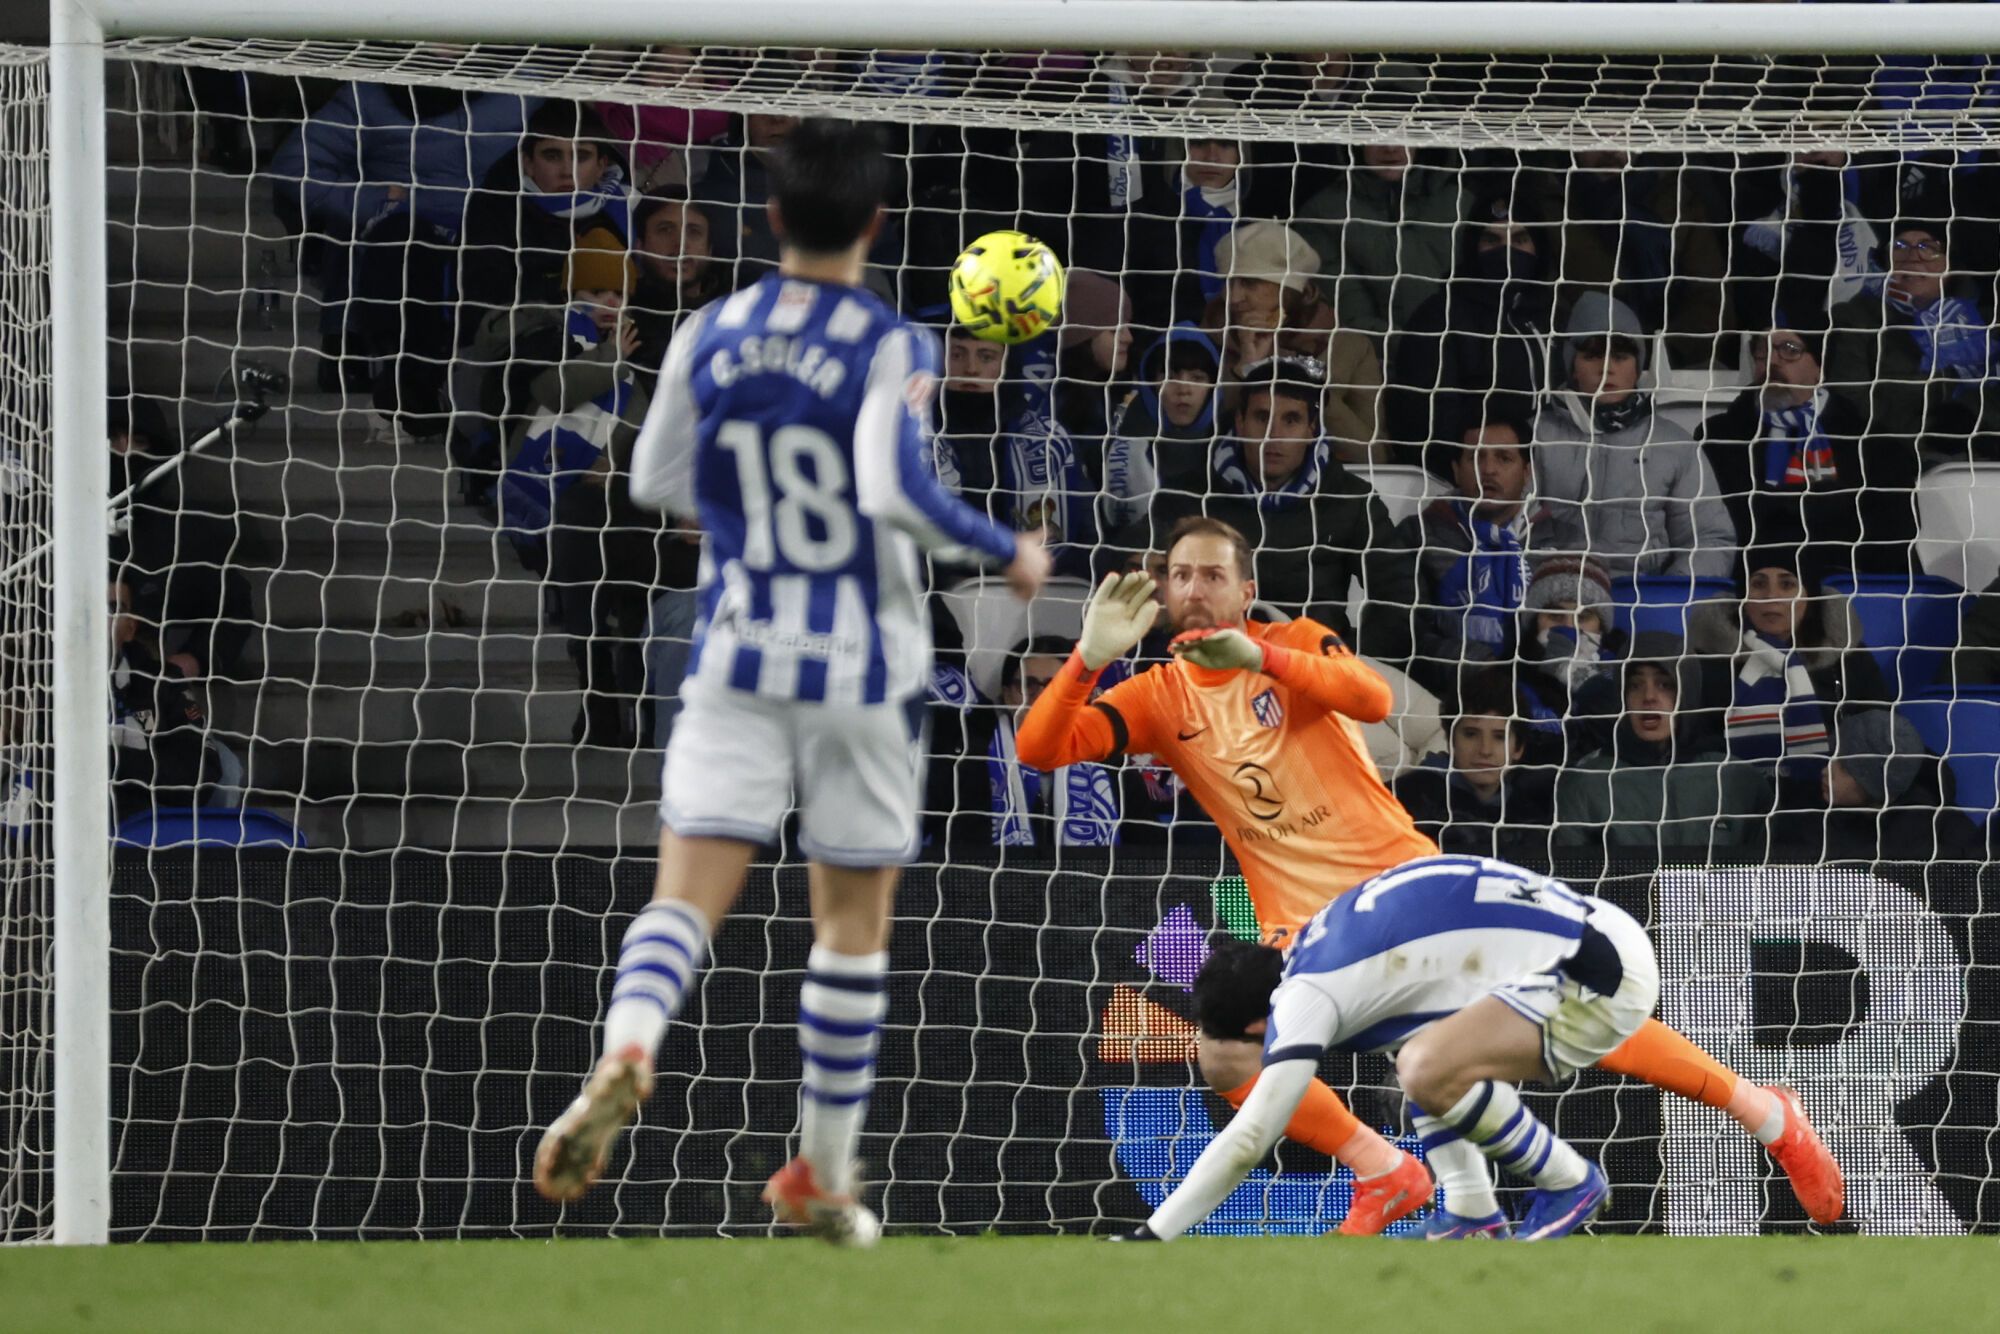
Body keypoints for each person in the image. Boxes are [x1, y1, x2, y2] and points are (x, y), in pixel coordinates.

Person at [1018, 519, 1842, 1235]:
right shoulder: (1158, 696)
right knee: (1233, 1061)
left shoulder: (1296, 644)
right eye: (1180, 574)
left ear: (1246, 589)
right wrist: (1089, 658)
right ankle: (1390, 1171)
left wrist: (1261, 652)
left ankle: (1765, 1114)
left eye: (1213, 574)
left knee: (1559, 1027)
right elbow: (1041, 750)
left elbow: (1371, 698)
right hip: (1295, 924)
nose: (1194, 588)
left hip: (1401, 888)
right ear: (1161, 588)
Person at [532, 119, 1051, 1246]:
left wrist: (742, 519)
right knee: (850, 924)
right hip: (861, 660)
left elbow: (652, 476)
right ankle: (818, 1172)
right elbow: (889, 484)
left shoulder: (709, 330)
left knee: (683, 893)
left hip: (739, 644)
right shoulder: (888, 338)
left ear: (767, 220)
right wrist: (1002, 546)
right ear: (872, 224)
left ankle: (627, 1045)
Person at [1123, 856, 1660, 1242]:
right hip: (1602, 924)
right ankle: (1472, 1210)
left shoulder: (1304, 999)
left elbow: (1248, 1141)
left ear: (1261, 1025)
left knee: (1423, 1066)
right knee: (1421, 1051)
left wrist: (1156, 1232)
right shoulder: (1315, 934)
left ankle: (1569, 1182)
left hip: (1601, 977)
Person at [1137, 358, 1418, 662]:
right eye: (1261, 417)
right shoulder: (1188, 495)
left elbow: (1401, 598)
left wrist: (1343, 657)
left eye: (1291, 420)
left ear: (1312, 428)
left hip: (1310, 671)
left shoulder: (1350, 498)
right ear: (1240, 421)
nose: (1274, 434)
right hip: (1207, 665)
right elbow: (1126, 559)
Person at [1530, 291, 1736, 580]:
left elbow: (1710, 540)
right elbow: (1507, 530)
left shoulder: (1673, 444)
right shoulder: (1535, 436)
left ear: (1637, 366)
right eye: (1592, 355)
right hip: (1551, 598)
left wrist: (1668, 595)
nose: (1607, 367)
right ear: (1572, 366)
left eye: (1620, 356)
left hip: (1642, 600)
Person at [1700, 311, 1919, 573]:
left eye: (1789, 349)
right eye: (1762, 350)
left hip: (1839, 594)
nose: (1771, 361)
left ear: (1820, 367)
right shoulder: (1717, 437)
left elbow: (1889, 549)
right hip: (1745, 589)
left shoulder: (1875, 447)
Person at [1400, 420, 1578, 698]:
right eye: (1475, 457)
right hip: (1445, 694)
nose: (1488, 470)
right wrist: (1482, 668)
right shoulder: (1420, 535)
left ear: (1527, 471)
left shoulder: (1567, 542)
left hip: (1546, 693)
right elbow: (1407, 633)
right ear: (1456, 470)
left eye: (1504, 458)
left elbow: (1585, 630)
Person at [1381, 194, 1559, 469]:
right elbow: (1427, 424)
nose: (1507, 251)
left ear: (1539, 248)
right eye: (1492, 240)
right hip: (1474, 486)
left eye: (1520, 239)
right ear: (1472, 247)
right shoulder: (1439, 317)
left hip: (1555, 481)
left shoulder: (1556, 314)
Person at [1554, 633, 1772, 854]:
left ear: (1689, 691)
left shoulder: (1737, 780)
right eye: (1635, 685)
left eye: (1664, 684)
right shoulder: (1587, 784)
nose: (1649, 696)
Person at [1826, 220, 2000, 459]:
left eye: (1928, 246)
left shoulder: (1987, 322)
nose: (1912, 257)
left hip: (1985, 456)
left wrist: (1969, 416)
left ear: (1949, 263)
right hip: (1895, 461)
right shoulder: (1856, 318)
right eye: (1900, 245)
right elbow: (1850, 398)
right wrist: (1927, 436)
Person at [1295, 143, 1467, 344]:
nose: (1390, 148)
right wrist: (1420, 352)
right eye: (1379, 132)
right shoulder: (1324, 214)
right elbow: (1348, 312)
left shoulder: (1461, 204)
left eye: (1402, 133)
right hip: (1369, 365)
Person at [1393, 669, 1554, 862]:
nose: (1485, 750)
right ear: (1451, 739)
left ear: (1518, 748)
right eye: (1471, 734)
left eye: (1499, 737)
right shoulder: (1406, 799)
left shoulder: (1529, 818)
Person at [1099, 323, 1223, 528]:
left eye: (1197, 378)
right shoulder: (1124, 441)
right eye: (1168, 377)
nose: (1183, 389)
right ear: (1150, 383)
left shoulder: (1229, 442)